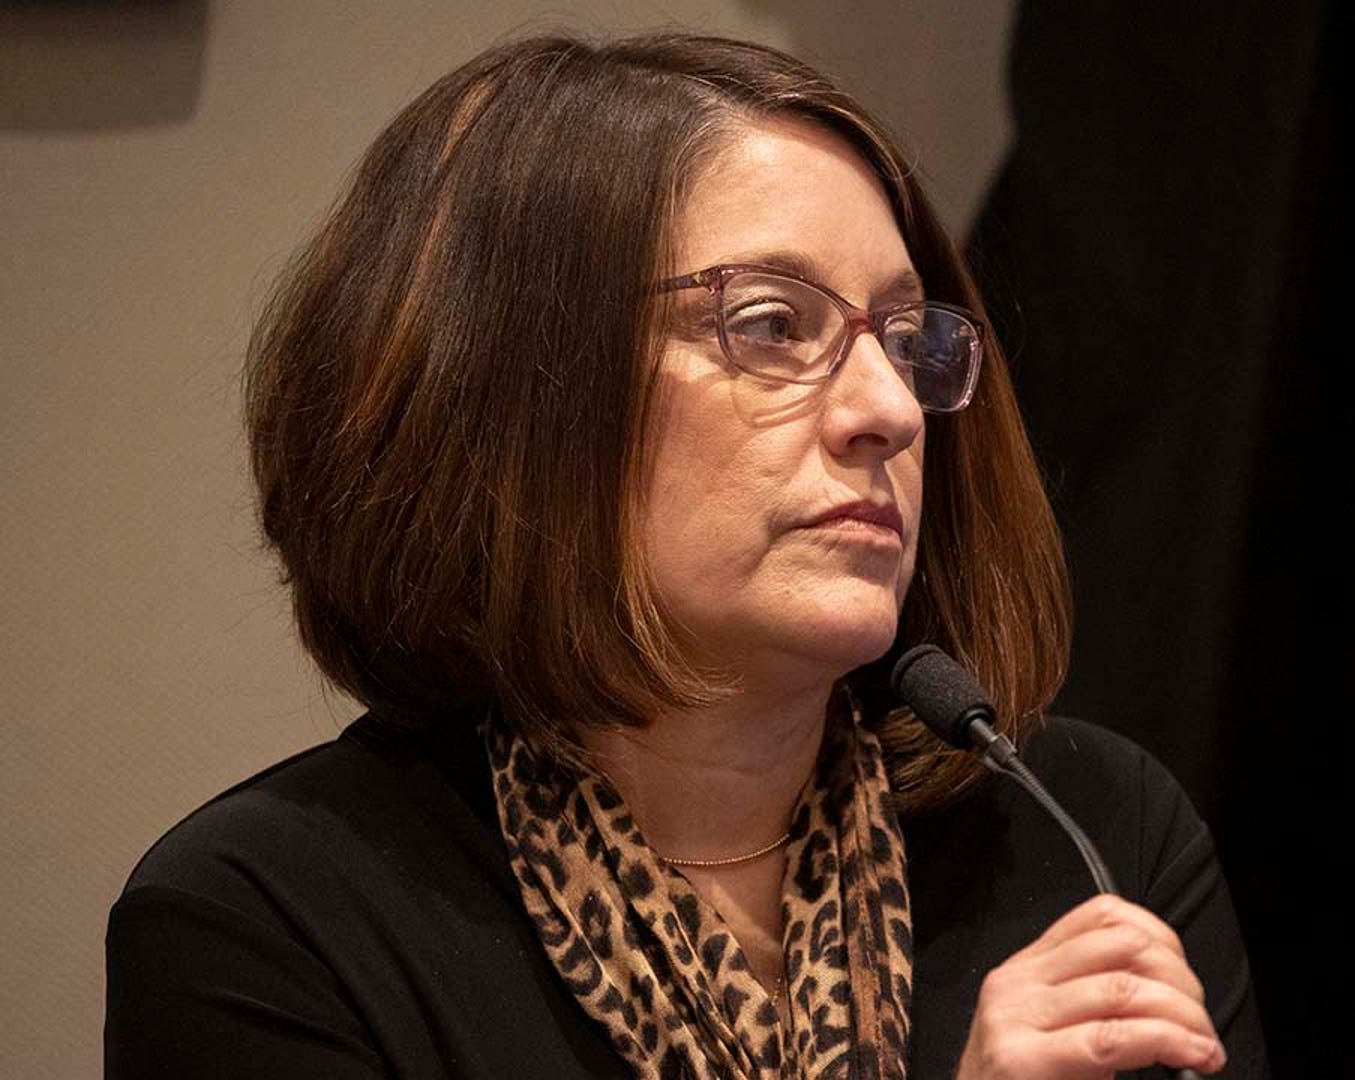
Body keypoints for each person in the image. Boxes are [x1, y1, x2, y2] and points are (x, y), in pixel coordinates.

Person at [104, 33, 1266, 1080]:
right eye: (771, 325)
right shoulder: (269, 922)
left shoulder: (1090, 836)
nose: (892, 411)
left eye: (906, 342)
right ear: (519, 399)